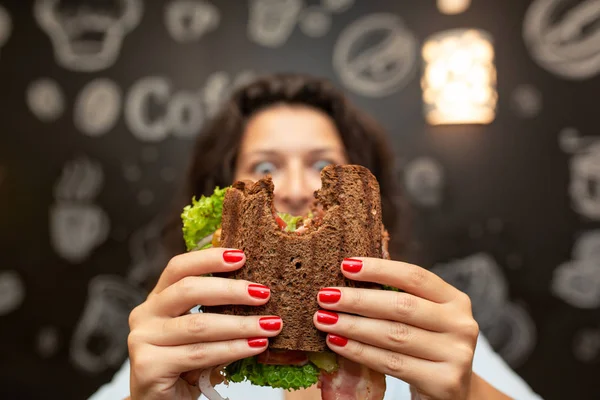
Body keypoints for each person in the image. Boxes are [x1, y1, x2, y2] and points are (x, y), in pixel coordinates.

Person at [89, 73, 543, 400]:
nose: (295, 189)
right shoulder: (186, 345)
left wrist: (468, 393)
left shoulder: (422, 328)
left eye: (323, 166)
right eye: (265, 167)